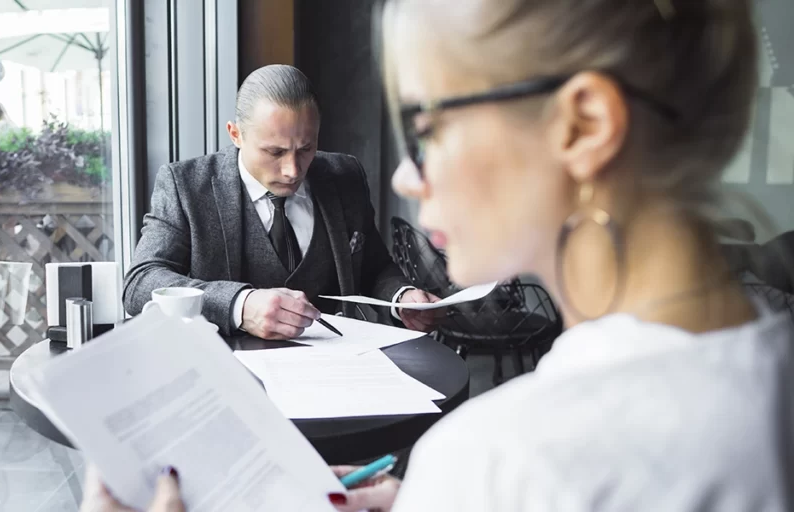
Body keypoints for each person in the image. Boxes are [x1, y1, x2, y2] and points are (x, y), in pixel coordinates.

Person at [90, 0, 794, 510]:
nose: (406, 176)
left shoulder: (502, 459)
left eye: (428, 128)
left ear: (584, 126)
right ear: (236, 135)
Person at [123, 64, 444, 339]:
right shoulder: (185, 185)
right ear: (236, 134)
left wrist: (400, 297)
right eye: (274, 152)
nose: (292, 170)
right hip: (226, 371)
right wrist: (240, 305)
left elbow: (375, 268)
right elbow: (140, 283)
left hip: (337, 371)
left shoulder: (344, 175)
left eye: (306, 148)